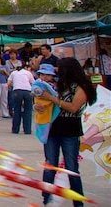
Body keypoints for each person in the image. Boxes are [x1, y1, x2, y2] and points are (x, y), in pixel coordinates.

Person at [34, 57, 96, 207]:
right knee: (50, 164)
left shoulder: (81, 87)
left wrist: (52, 99)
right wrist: (39, 106)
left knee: (71, 167)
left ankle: (78, 202)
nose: (57, 71)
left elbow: (74, 108)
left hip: (71, 129)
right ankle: (47, 199)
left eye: (60, 68)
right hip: (53, 128)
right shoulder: (57, 84)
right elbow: (42, 99)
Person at [9, 61, 35, 135]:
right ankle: (27, 130)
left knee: (17, 110)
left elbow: (9, 83)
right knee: (28, 110)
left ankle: (15, 129)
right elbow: (33, 83)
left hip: (17, 91)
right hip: (28, 91)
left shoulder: (13, 73)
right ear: (26, 68)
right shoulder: (28, 73)